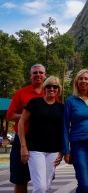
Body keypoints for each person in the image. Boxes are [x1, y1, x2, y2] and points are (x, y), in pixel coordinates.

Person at [18, 76, 64, 193]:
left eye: (55, 86)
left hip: (53, 151)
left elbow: (64, 130)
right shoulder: (34, 103)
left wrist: (63, 151)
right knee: (40, 187)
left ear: (58, 89)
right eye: (49, 86)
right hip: (35, 150)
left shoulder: (61, 108)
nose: (52, 89)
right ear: (44, 88)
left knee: (47, 187)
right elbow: (21, 122)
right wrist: (23, 147)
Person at [6, 64, 47, 193]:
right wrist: (28, 115)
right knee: (20, 179)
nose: (38, 75)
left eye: (41, 72)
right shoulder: (21, 93)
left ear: (45, 75)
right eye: (35, 73)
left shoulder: (51, 92)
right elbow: (10, 116)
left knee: (44, 181)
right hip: (22, 140)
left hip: (43, 141)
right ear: (30, 76)